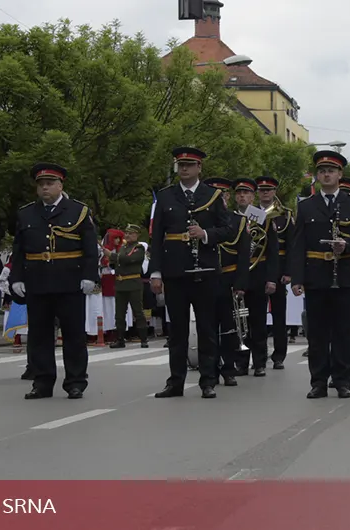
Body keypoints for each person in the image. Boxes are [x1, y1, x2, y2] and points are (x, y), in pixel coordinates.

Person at [288, 150, 350, 399]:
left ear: (340, 175)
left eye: (331, 171)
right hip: (316, 276)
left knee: (343, 332)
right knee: (316, 333)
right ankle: (318, 381)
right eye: (322, 171)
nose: (326, 174)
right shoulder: (305, 206)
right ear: (317, 176)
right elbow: (298, 246)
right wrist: (297, 278)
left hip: (346, 276)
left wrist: (347, 245)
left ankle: (342, 380)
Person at [148, 147, 233, 399]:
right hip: (175, 271)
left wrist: (205, 234)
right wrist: (156, 271)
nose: (184, 169)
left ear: (199, 168)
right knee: (177, 331)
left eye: (189, 165)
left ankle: (208, 380)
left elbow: (227, 229)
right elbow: (156, 237)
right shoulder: (165, 197)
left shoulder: (213, 195)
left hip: (206, 270)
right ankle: (175, 381)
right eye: (180, 165)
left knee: (207, 328)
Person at [9, 163, 99, 399]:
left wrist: (90, 275)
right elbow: (19, 249)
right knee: (39, 336)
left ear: (60, 185)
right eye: (41, 184)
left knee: (73, 335)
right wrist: (16, 277)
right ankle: (42, 382)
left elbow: (90, 247)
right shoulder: (26, 213)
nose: (45, 188)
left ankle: (76, 381)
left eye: (49, 183)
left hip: (69, 280)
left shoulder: (78, 211)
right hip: (37, 280)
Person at [204, 177, 251, 386]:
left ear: (227, 197)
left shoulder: (239, 221)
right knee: (208, 328)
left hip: (229, 279)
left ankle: (228, 369)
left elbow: (243, 257)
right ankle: (210, 370)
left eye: (222, 195)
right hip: (207, 279)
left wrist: (240, 284)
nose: (219, 199)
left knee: (230, 328)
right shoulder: (202, 221)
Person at [231, 177, 278, 377]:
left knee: (258, 322)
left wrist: (271, 279)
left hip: (258, 274)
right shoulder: (229, 218)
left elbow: (273, 251)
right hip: (236, 276)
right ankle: (241, 362)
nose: (242, 196)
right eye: (239, 193)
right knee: (239, 322)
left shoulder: (263, 218)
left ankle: (259, 362)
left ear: (253, 196)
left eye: (247, 193)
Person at [254, 175, 292, 368]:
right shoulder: (251, 214)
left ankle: (279, 356)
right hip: (257, 267)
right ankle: (258, 355)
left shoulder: (285, 214)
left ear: (274, 192)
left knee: (279, 315)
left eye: (268, 190)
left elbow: (292, 245)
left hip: (279, 269)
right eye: (261, 190)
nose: (265, 193)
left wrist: (288, 272)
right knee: (256, 315)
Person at [107, 224, 149, 349]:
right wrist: (112, 260)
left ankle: (143, 339)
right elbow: (118, 262)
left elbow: (129, 259)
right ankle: (120, 339)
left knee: (138, 312)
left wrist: (112, 255)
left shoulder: (139, 248)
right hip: (120, 284)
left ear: (137, 235)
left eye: (131, 233)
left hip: (133, 283)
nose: (128, 235)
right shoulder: (123, 248)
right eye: (127, 233)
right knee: (119, 314)